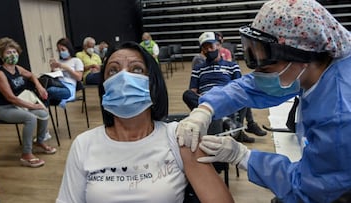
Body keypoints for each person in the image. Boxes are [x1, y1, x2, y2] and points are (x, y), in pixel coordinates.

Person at [176, 0, 351, 202]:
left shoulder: (339, 118)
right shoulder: (319, 66)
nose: (257, 75)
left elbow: (310, 189)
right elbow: (251, 86)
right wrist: (206, 108)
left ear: (302, 57)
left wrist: (244, 157)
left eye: (266, 68)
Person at [56, 41, 234, 203]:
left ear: (153, 83)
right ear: (104, 86)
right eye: (113, 70)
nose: (123, 78)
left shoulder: (178, 138)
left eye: (137, 69)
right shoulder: (84, 144)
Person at [183, 31, 263, 143]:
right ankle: (229, 123)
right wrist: (203, 97)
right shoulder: (198, 68)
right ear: (202, 51)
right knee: (187, 95)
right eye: (205, 48)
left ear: (218, 45)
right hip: (206, 99)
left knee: (243, 92)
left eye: (211, 46)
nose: (209, 50)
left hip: (225, 97)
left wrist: (222, 94)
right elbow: (192, 91)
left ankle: (236, 127)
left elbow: (239, 86)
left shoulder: (232, 66)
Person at [0, 37, 57, 168]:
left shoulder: (17, 68)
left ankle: (40, 141)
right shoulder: (0, 74)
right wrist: (33, 105)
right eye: (8, 53)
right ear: (1, 55)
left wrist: (39, 86)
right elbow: (11, 98)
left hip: (20, 104)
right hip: (5, 108)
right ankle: (26, 154)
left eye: (14, 52)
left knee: (43, 112)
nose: (13, 55)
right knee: (31, 118)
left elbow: (31, 75)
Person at [47, 38, 84, 108]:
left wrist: (65, 68)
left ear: (69, 49)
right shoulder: (59, 61)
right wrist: (52, 69)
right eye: (59, 50)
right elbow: (54, 77)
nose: (61, 52)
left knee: (49, 91)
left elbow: (79, 77)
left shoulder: (76, 61)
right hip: (58, 84)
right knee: (42, 90)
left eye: (63, 50)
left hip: (68, 88)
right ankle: (40, 110)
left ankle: (41, 110)